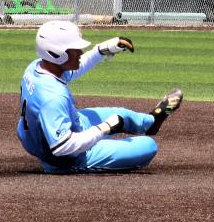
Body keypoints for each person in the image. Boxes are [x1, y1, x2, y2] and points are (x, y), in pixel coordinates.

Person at [17, 20, 183, 173]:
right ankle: (69, 164)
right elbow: (62, 146)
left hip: (52, 129)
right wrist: (104, 128)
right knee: (148, 147)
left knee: (121, 114)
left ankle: (151, 122)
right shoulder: (53, 97)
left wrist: (101, 50)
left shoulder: (38, 67)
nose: (81, 52)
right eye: (75, 50)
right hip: (67, 157)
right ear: (57, 54)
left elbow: (75, 68)